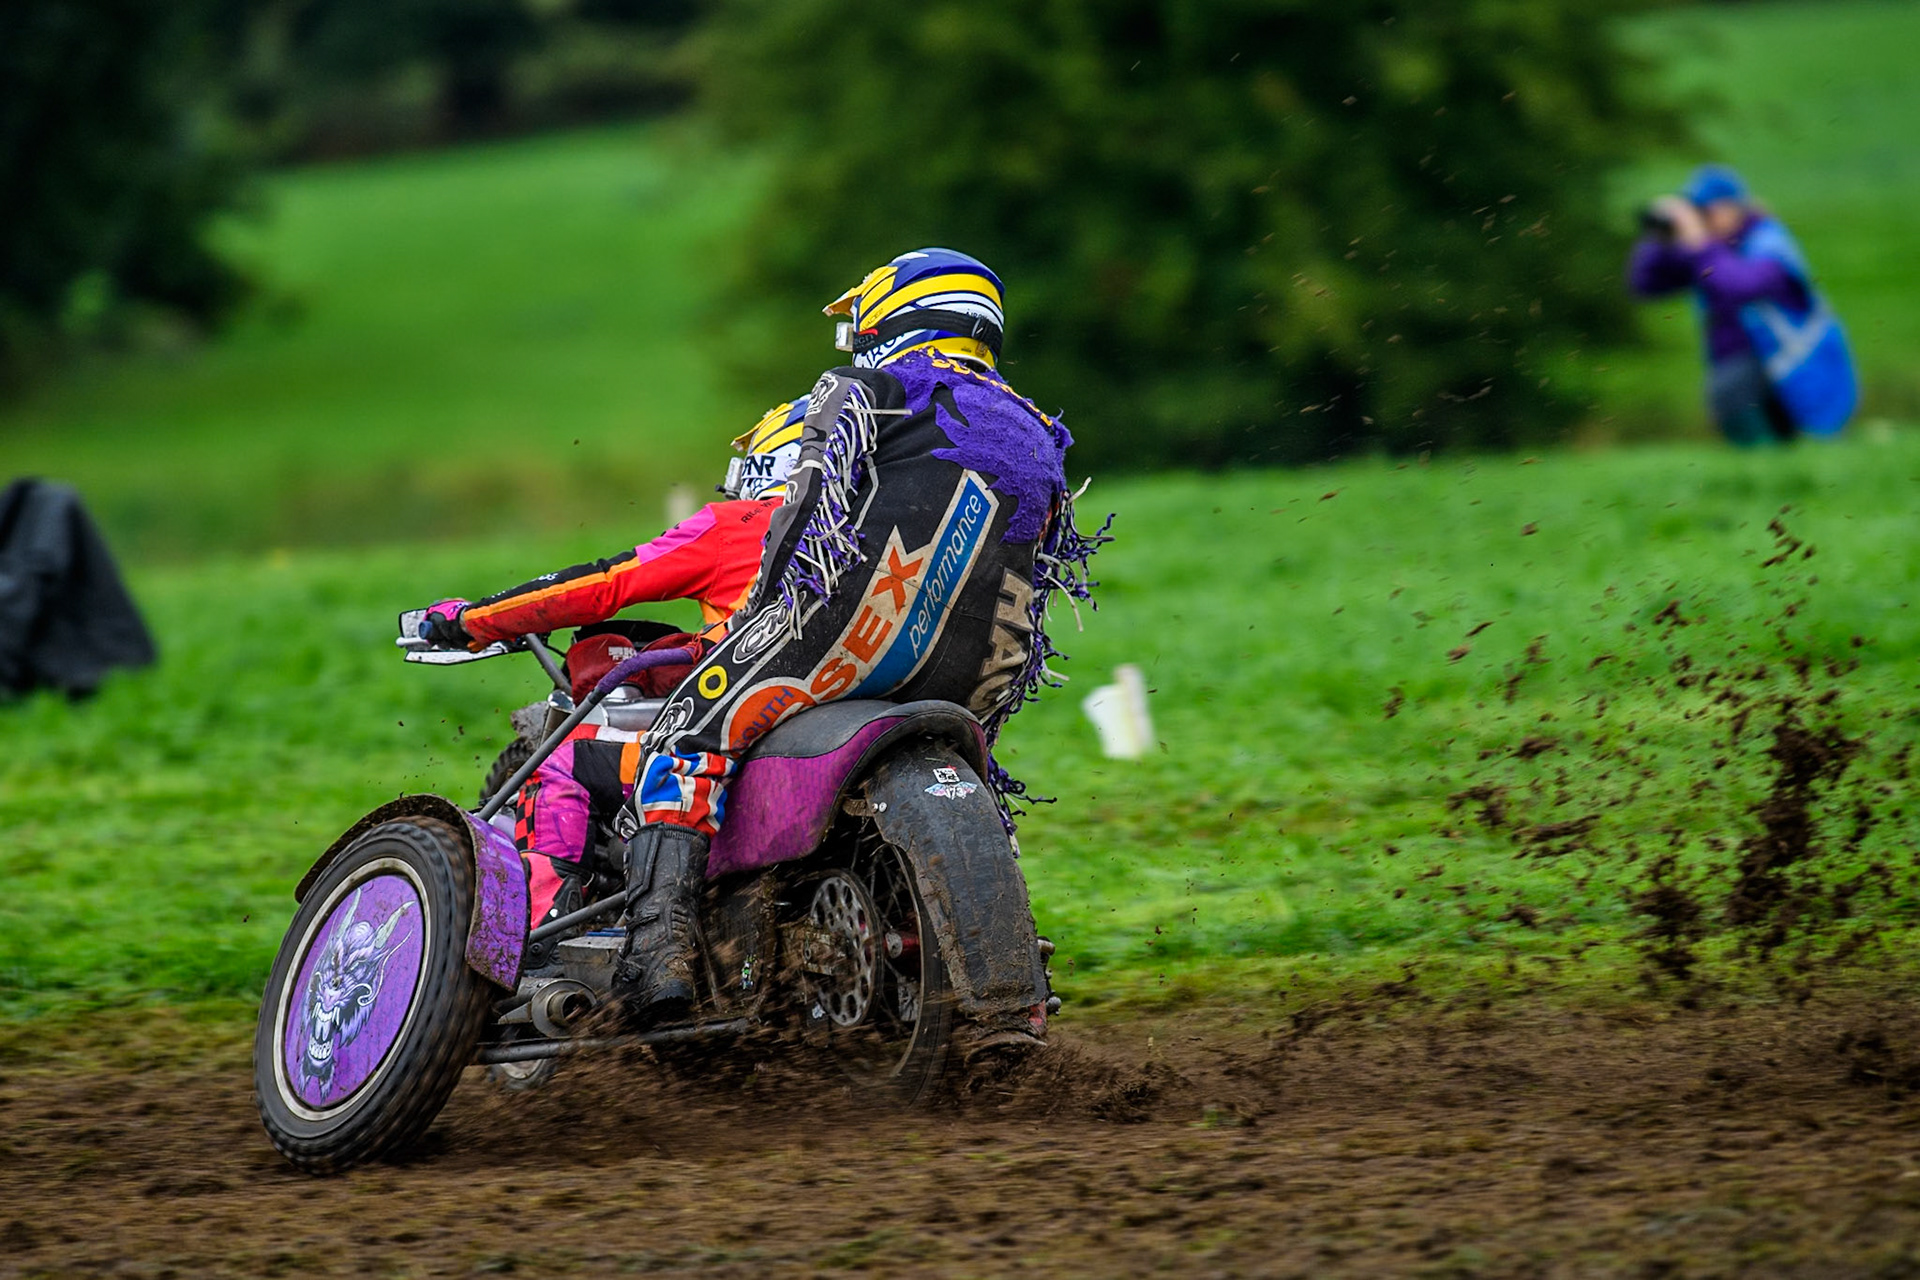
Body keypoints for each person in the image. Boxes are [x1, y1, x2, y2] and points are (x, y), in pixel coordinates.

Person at [613, 247, 1103, 1029]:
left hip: (850, 632)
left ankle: (656, 955)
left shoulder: (869, 387)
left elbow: (809, 510)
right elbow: (1044, 561)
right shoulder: (1041, 432)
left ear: (893, 317)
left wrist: (763, 617)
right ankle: (1014, 966)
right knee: (972, 776)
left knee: (682, 736)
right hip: (981, 661)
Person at [417, 399, 806, 933]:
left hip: (746, 740)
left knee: (565, 764)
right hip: (853, 711)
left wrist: (475, 620)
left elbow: (605, 584)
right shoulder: (882, 530)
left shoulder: (739, 524)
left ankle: (541, 939)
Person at [1628, 164, 1856, 446]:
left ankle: (1766, 469)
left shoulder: (1768, 242)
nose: (1703, 220)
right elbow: (1645, 283)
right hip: (1755, 369)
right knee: (1759, 419)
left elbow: (1741, 286)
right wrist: (1660, 234)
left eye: (1706, 212)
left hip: (1795, 364)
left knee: (1737, 394)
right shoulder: (1709, 250)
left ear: (1733, 207)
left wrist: (1700, 244)